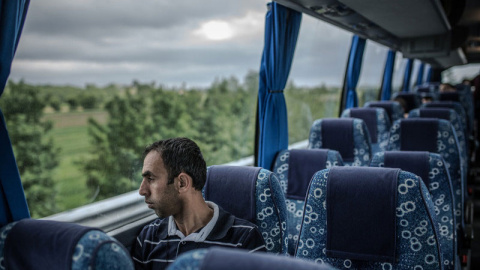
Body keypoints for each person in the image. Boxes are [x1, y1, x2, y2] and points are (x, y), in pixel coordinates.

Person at [132, 138, 266, 270]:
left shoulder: (245, 239)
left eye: (150, 179)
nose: (142, 190)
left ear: (182, 183)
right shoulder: (148, 237)